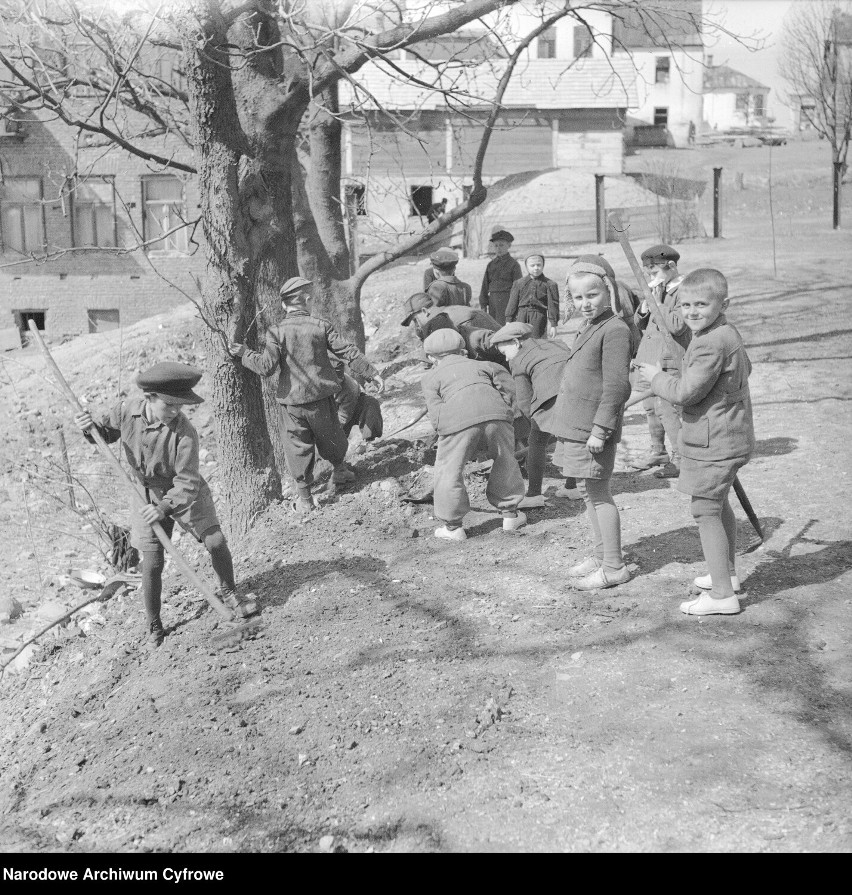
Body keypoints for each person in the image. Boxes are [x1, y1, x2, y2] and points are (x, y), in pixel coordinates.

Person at [73, 362, 255, 647]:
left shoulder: (185, 433)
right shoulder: (125, 410)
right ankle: (155, 623)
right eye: (168, 405)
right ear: (149, 398)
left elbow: (187, 482)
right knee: (153, 562)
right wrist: (88, 428)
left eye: (179, 406)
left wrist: (164, 508)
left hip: (183, 490)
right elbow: (104, 434)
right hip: (144, 494)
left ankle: (230, 592)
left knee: (216, 540)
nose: (174, 411)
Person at [635, 269, 755, 616]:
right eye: (686, 304)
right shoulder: (726, 332)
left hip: (713, 439)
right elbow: (746, 370)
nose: (691, 312)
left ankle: (721, 596)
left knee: (704, 509)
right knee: (719, 504)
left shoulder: (708, 342)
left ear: (723, 304)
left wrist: (657, 378)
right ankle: (726, 576)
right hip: (731, 434)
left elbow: (686, 394)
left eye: (701, 304)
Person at [229, 276, 383, 514]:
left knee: (297, 446)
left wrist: (245, 354)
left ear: (284, 305)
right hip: (321, 399)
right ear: (307, 300)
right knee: (331, 436)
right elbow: (347, 351)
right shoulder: (321, 327)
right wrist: (372, 373)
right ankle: (340, 470)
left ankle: (305, 500)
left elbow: (266, 367)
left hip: (291, 403)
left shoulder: (276, 331)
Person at [551, 256, 633, 591]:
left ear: (609, 292)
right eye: (578, 297)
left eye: (592, 296)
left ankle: (614, 567)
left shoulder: (614, 330)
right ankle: (602, 555)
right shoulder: (590, 325)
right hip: (578, 426)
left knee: (599, 494)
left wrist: (601, 429)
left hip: (593, 431)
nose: (585, 304)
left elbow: (616, 386)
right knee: (588, 491)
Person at [421, 329, 526, 541]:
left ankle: (453, 528)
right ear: (463, 351)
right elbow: (510, 390)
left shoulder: (430, 377)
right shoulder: (484, 365)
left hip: (457, 421)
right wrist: (506, 415)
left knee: (449, 469)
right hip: (497, 415)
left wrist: (447, 434)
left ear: (432, 358)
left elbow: (435, 413)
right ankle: (510, 515)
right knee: (506, 459)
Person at [490, 322, 570, 509]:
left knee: (537, 440)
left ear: (516, 343)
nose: (507, 358)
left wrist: (535, 423)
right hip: (578, 393)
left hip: (552, 396)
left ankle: (534, 494)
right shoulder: (558, 343)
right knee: (568, 437)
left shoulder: (518, 361)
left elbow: (524, 401)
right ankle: (572, 487)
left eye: (505, 353)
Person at [631, 244, 689, 479]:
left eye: (655, 273)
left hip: (669, 359)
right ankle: (658, 451)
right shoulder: (659, 290)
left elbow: (677, 325)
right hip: (650, 356)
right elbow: (641, 323)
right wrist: (646, 307)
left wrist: (658, 303)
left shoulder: (684, 291)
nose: (652, 278)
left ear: (672, 266)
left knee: (666, 408)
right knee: (649, 408)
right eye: (649, 274)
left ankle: (681, 458)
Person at [505, 254, 560, 339]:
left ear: (543, 265)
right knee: (520, 341)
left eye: (539, 265)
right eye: (532, 265)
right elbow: (512, 303)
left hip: (538, 317)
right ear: (526, 267)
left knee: (537, 342)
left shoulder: (550, 284)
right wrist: (509, 320)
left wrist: (553, 325)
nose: (536, 268)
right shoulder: (519, 283)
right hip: (521, 316)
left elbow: (553, 306)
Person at [478, 229, 522, 326]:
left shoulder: (514, 265)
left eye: (501, 245)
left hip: (508, 301)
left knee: (506, 327)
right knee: (493, 326)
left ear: (509, 245)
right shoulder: (491, 265)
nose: (498, 248)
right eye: (496, 245)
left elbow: (518, 288)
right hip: (493, 301)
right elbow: (485, 286)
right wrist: (483, 304)